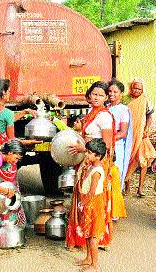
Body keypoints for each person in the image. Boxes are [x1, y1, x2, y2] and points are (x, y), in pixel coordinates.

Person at [0, 78, 39, 238]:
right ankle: (11, 229)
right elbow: (12, 142)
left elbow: (4, 120)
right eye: (8, 91)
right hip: (7, 160)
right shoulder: (6, 113)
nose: (9, 94)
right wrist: (30, 142)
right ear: (2, 93)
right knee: (10, 191)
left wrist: (24, 112)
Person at [67, 81, 115, 250]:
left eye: (101, 95)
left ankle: (96, 239)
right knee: (82, 197)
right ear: (89, 95)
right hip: (86, 160)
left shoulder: (104, 116)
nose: (96, 97)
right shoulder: (91, 113)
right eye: (94, 94)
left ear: (106, 98)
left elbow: (106, 145)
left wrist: (83, 148)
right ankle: (82, 237)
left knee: (93, 200)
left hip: (96, 163)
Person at [75, 138, 107, 272]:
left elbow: (92, 192)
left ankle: (95, 266)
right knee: (87, 233)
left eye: (89, 153)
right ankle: (88, 258)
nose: (86, 154)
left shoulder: (96, 171)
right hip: (89, 203)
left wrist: (82, 203)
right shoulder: (91, 167)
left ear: (98, 156)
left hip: (94, 204)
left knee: (93, 236)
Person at [123, 78, 156, 197]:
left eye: (139, 89)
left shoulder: (146, 101)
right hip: (128, 135)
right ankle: (127, 187)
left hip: (141, 136)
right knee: (128, 160)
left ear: (142, 90)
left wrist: (146, 130)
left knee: (143, 161)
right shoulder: (125, 100)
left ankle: (140, 189)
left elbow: (149, 117)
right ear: (131, 88)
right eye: (135, 88)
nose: (136, 90)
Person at [108, 80, 132, 190]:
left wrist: (108, 139)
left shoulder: (123, 110)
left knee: (115, 174)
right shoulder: (106, 108)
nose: (111, 94)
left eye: (115, 92)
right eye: (110, 91)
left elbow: (123, 133)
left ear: (121, 94)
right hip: (105, 146)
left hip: (117, 146)